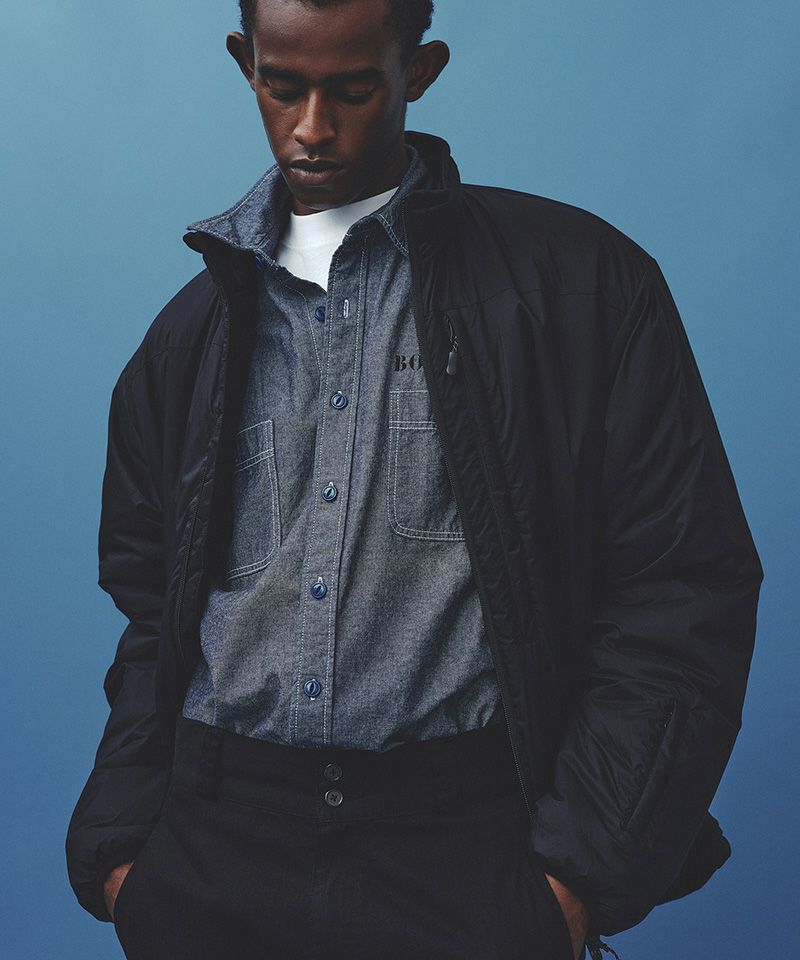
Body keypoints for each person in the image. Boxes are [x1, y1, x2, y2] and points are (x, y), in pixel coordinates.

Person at [65, 1, 764, 958]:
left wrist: (581, 877)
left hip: (466, 852)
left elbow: (682, 587)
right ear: (244, 62)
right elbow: (149, 610)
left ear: (419, 71)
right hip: (214, 849)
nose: (312, 127)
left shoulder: (580, 285)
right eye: (282, 86)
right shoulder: (188, 336)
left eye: (353, 89)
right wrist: (122, 853)